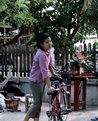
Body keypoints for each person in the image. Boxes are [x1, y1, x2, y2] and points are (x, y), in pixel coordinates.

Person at [23, 33, 59, 121]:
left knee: (38, 104)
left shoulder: (47, 52)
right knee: (36, 104)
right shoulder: (42, 55)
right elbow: (44, 71)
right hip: (35, 82)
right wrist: (49, 86)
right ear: (41, 44)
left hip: (40, 81)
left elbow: (49, 65)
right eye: (47, 42)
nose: (50, 43)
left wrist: (53, 73)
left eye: (50, 41)